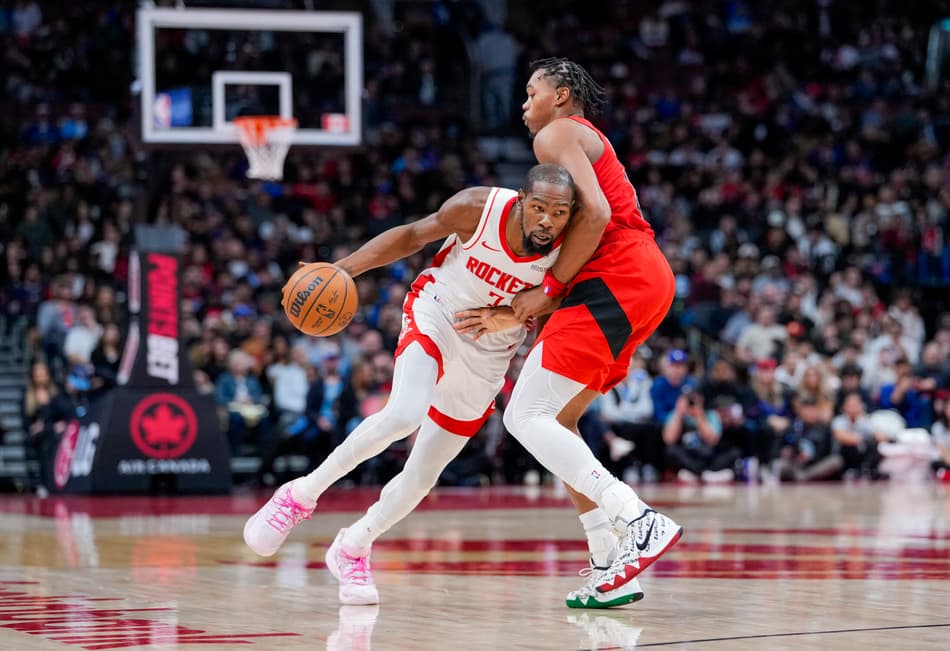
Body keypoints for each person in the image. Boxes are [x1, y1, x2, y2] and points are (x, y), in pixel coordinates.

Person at [244, 164, 578, 605]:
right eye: (538, 208)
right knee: (404, 412)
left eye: (558, 212)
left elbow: (554, 304)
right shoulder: (478, 208)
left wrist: (515, 320)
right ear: (520, 200)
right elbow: (411, 236)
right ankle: (299, 495)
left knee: (423, 476)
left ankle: (353, 546)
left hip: (490, 353)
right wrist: (342, 270)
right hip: (437, 311)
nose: (546, 221)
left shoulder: (572, 249)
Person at [495, 58, 683, 601]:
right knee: (557, 421)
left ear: (560, 94)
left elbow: (596, 214)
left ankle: (639, 518)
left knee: (524, 415)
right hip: (641, 280)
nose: (524, 105)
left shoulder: (554, 134)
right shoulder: (582, 138)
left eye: (531, 92)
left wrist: (548, 290)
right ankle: (606, 556)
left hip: (618, 275)